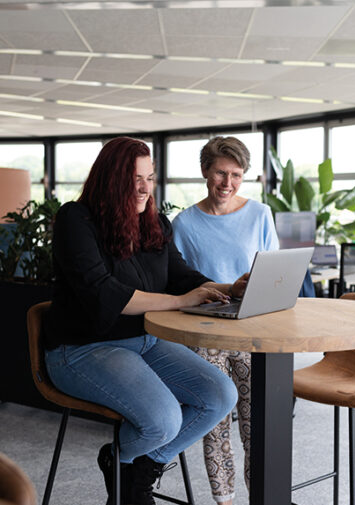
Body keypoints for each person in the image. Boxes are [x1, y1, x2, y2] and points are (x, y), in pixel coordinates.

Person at [42, 136, 247, 505]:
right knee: (164, 420)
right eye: (134, 178)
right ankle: (127, 469)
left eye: (149, 178)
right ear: (110, 178)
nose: (143, 188)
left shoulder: (153, 223)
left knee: (220, 396)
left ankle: (133, 470)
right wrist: (181, 301)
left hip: (144, 341)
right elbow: (104, 293)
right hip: (83, 348)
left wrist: (229, 288)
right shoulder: (77, 220)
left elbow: (182, 275)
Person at [172, 136, 280, 505]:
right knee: (215, 424)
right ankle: (225, 500)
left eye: (236, 175)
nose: (227, 183)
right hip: (205, 332)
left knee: (257, 423)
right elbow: (178, 280)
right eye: (220, 172)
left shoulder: (260, 214)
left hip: (251, 332)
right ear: (205, 171)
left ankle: (259, 497)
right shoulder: (184, 223)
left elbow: (275, 274)